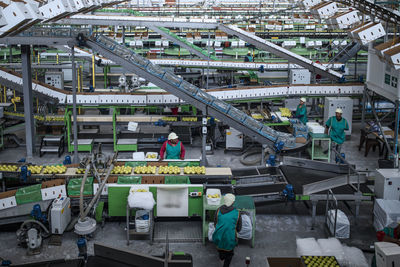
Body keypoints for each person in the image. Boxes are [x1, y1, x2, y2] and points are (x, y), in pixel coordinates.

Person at [213, 194, 242, 267]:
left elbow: (215, 224)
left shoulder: (218, 210)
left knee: (221, 250)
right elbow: (239, 228)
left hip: (218, 237)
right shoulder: (237, 213)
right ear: (233, 202)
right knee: (229, 255)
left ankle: (221, 255)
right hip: (230, 239)